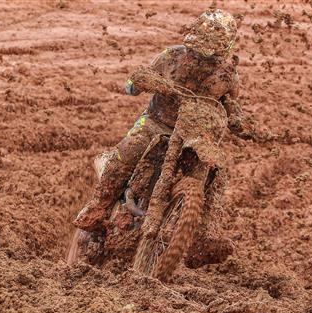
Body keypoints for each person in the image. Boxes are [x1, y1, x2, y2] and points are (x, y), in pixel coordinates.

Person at [73, 9, 253, 238]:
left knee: (215, 173)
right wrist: (139, 83)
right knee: (128, 151)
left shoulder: (227, 75)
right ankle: (98, 206)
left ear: (223, 48)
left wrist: (239, 122)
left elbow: (229, 103)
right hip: (155, 123)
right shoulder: (171, 56)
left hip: (195, 135)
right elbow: (132, 84)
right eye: (199, 52)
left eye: (210, 54)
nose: (202, 58)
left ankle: (205, 235)